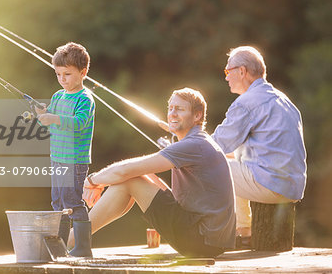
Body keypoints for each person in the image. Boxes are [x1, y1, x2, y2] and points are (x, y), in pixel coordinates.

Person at [79, 88, 236, 257]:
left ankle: (72, 240)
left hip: (202, 241)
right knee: (135, 177)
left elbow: (125, 170)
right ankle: (76, 239)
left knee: (129, 179)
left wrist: (92, 181)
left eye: (180, 109)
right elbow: (137, 173)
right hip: (209, 241)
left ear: (197, 116)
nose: (172, 114)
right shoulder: (199, 141)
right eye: (170, 108)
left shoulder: (194, 145)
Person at [211, 46, 307, 245]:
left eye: (228, 71)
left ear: (242, 71)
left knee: (210, 166)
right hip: (292, 187)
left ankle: (212, 235)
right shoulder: (284, 100)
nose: (226, 77)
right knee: (227, 160)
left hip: (271, 184)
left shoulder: (246, 103)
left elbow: (214, 146)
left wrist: (186, 142)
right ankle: (243, 231)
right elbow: (230, 151)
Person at [35, 42, 95, 257]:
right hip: (57, 158)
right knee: (57, 202)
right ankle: (58, 247)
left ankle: (83, 248)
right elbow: (49, 120)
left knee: (72, 201)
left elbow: (79, 122)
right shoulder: (58, 96)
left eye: (67, 74)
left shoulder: (85, 98)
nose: (62, 79)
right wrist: (42, 114)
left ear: (83, 72)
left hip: (75, 160)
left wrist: (55, 118)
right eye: (58, 74)